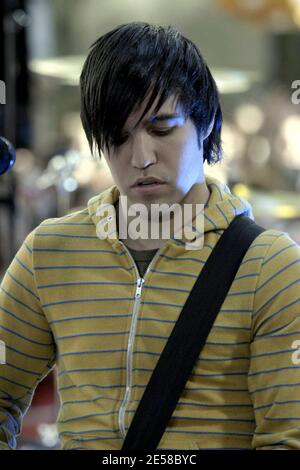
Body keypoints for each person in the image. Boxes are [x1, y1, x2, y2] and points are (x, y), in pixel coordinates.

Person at [1, 22, 300, 451]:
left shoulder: (270, 267)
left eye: (161, 129)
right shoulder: (50, 252)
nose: (141, 158)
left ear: (207, 121)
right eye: (118, 137)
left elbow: (289, 436)